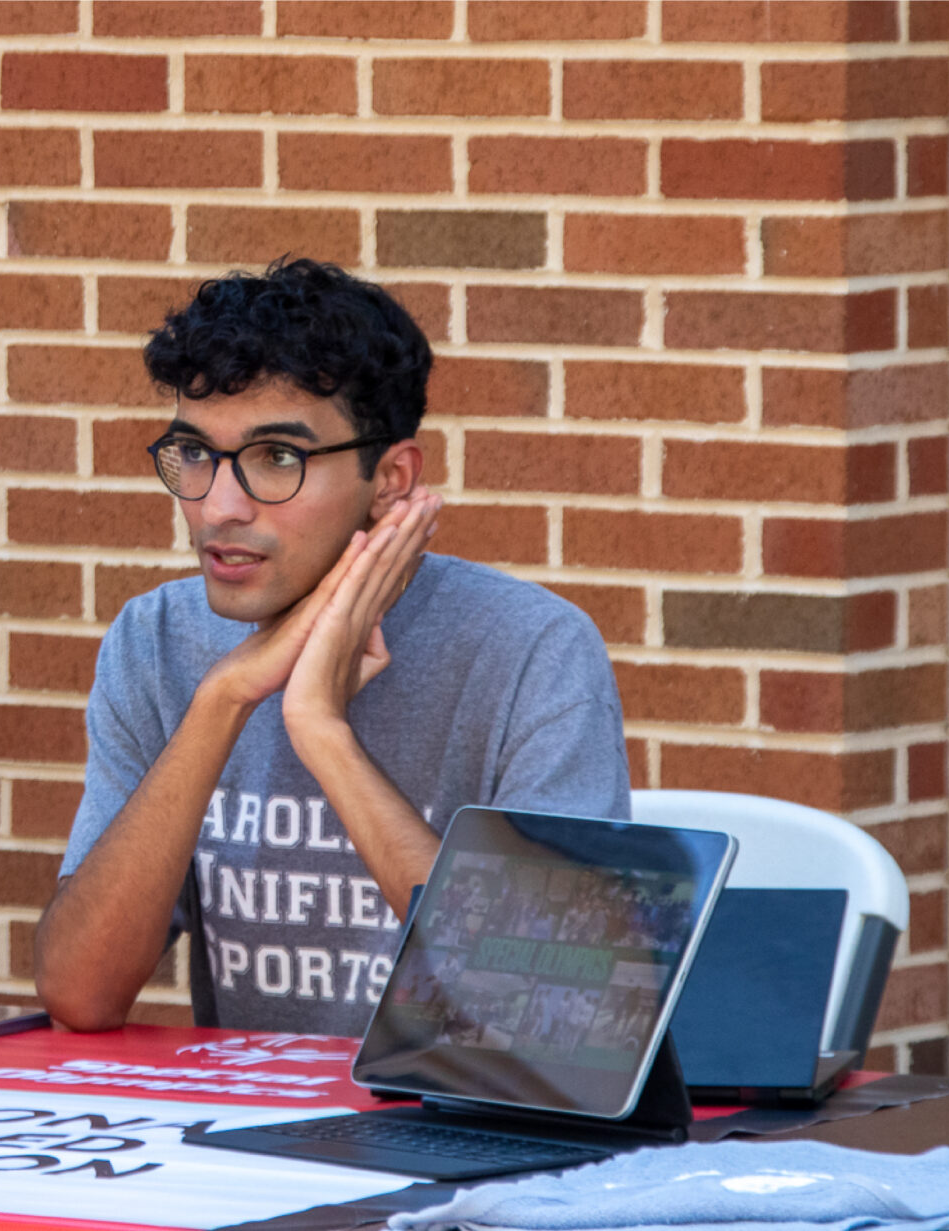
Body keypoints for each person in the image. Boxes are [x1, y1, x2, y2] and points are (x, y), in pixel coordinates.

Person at [32, 258, 628, 1036]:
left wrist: (321, 728)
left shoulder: (531, 650)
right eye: (196, 454)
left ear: (388, 480)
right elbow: (80, 991)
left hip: (470, 1129)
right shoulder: (158, 639)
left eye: (277, 457)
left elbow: (543, 1009)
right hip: (248, 1137)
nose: (218, 506)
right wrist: (223, 699)